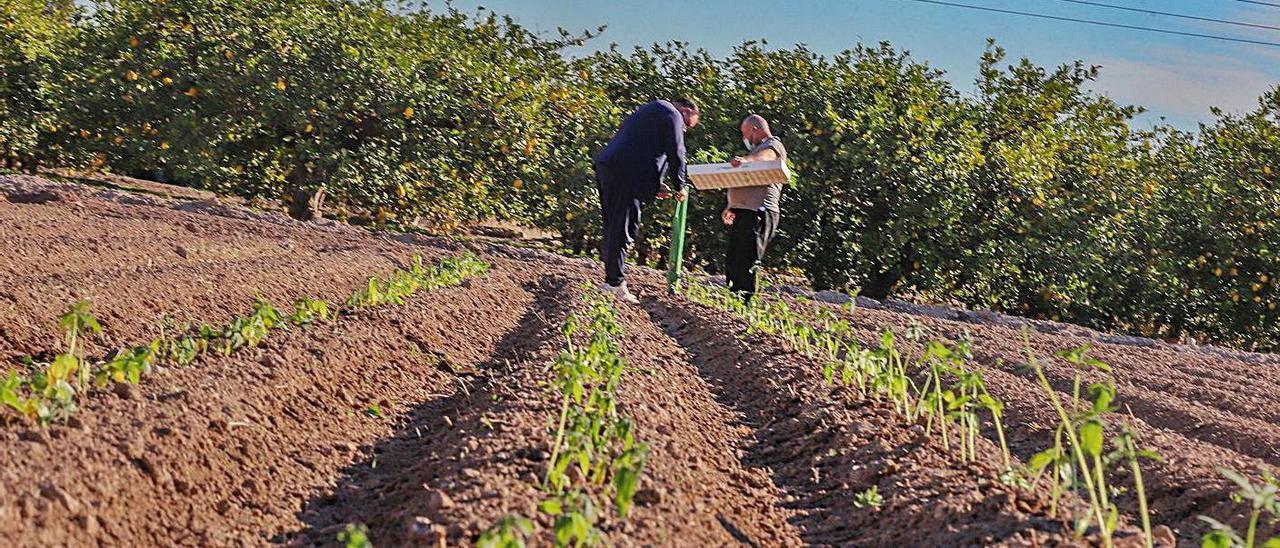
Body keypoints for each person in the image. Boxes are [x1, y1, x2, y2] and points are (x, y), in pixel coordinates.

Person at [593, 98, 700, 303]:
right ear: (685, 112)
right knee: (624, 226)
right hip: (624, 173)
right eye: (687, 126)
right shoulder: (673, 114)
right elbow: (676, 152)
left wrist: (653, 184)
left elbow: (644, 149)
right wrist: (680, 186)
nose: (684, 130)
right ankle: (614, 284)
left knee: (614, 224)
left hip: (611, 167)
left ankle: (612, 280)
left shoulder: (654, 110)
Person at [722, 114, 786, 302]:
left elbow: (766, 158)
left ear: (754, 129)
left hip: (759, 212)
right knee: (734, 260)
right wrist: (731, 206)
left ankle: (744, 305)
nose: (745, 139)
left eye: (745, 133)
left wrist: (746, 161)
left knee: (746, 260)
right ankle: (735, 302)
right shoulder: (756, 151)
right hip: (744, 212)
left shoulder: (772, 146)